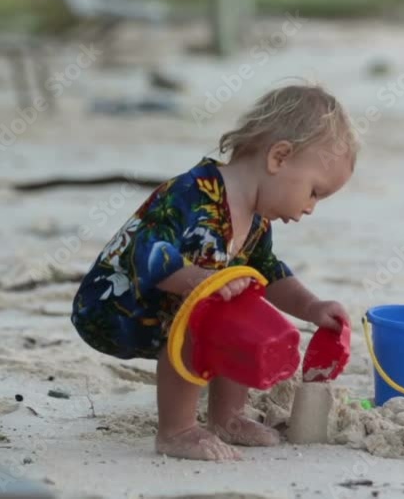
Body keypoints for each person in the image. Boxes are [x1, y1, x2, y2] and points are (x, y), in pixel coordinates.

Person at [71, 83, 359, 460]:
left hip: (172, 306)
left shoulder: (256, 222)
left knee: (242, 312)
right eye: (314, 192)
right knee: (202, 315)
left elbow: (269, 272)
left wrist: (312, 307)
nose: (311, 208)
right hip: (116, 306)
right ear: (280, 157)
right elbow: (146, 253)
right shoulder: (192, 195)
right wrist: (203, 282)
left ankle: (228, 417)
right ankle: (177, 430)